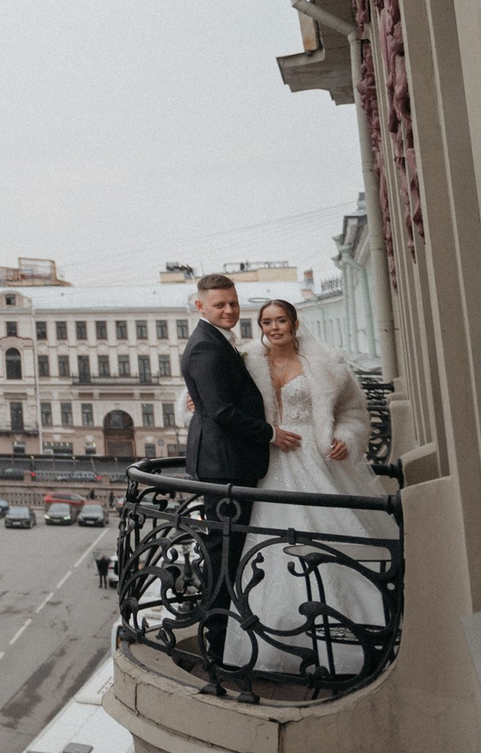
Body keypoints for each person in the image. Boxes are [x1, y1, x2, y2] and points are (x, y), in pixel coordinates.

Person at [222, 298, 398, 677]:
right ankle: (274, 646)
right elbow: (221, 396)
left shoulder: (325, 362)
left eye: (281, 320)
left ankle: (350, 637)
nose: (274, 328)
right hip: (270, 461)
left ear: (294, 323)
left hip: (316, 459)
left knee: (330, 534)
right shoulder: (248, 361)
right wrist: (192, 399)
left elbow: (354, 412)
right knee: (271, 547)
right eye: (267, 322)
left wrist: (345, 438)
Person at [181, 273, 293, 671]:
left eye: (233, 302)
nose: (229, 310)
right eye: (219, 304)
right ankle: (216, 645)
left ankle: (224, 637)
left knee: (228, 550)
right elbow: (221, 410)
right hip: (223, 464)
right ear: (201, 306)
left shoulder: (218, 340)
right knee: (223, 554)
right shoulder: (204, 347)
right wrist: (270, 434)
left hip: (226, 461)